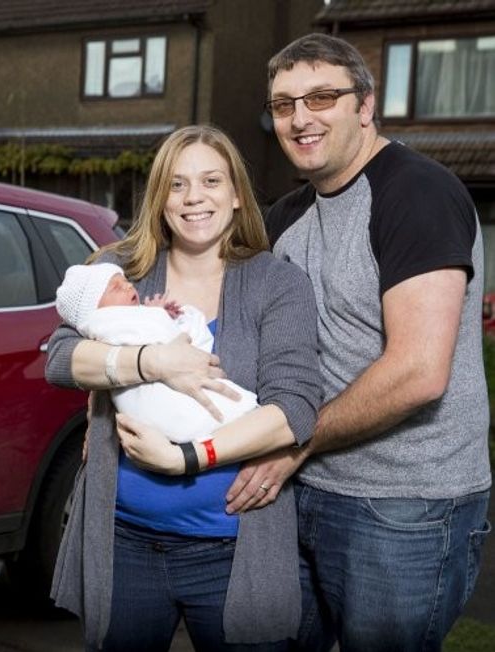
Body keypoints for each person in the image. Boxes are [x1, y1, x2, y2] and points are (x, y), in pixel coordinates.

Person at [227, 33, 492, 651]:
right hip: (303, 487)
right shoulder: (288, 216)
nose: (300, 118)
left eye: (321, 97)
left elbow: (419, 372)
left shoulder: (417, 194)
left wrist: (294, 441)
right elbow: (217, 314)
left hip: (404, 506)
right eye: (284, 104)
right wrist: (115, 385)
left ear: (366, 105)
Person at [46, 124, 323, 651]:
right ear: (160, 198)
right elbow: (60, 359)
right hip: (123, 541)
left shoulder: (277, 283)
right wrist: (154, 361)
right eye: (177, 184)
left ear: (237, 194)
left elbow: (295, 408)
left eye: (211, 181)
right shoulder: (119, 272)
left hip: (231, 549)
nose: (194, 197)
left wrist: (186, 458)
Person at [55, 261, 259, 444]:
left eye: (126, 281)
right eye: (116, 287)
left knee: (228, 411)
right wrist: (155, 320)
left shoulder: (263, 276)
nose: (128, 285)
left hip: (190, 437)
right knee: (213, 412)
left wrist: (163, 316)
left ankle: (252, 428)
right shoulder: (103, 322)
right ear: (95, 309)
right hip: (148, 407)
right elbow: (58, 360)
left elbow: (178, 343)